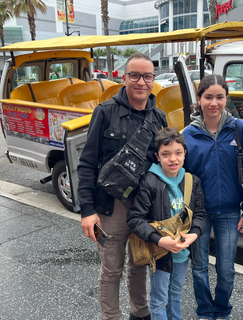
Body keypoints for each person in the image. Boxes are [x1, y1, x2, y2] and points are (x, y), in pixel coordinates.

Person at [78, 52, 168, 320]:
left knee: (139, 262)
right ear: (124, 78)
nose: (141, 82)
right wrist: (86, 210)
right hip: (110, 206)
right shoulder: (105, 112)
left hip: (144, 205)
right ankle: (112, 316)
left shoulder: (160, 117)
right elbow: (86, 163)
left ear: (153, 79)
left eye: (147, 76)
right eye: (135, 75)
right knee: (112, 269)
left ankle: (140, 313)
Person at [182, 75, 243, 320]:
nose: (214, 103)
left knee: (226, 271)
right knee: (199, 268)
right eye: (208, 97)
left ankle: (222, 310)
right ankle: (204, 310)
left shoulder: (239, 128)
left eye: (220, 97)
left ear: (226, 98)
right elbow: (180, 177)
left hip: (230, 212)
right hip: (199, 214)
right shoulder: (187, 134)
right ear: (199, 99)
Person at [127, 127, 206, 320]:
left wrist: (192, 236)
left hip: (182, 252)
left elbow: (201, 215)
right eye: (166, 154)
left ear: (185, 154)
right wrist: (160, 241)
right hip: (160, 253)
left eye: (178, 153)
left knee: (175, 295)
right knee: (159, 300)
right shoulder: (150, 181)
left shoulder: (192, 181)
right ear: (157, 156)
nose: (173, 159)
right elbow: (135, 218)